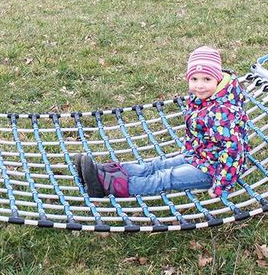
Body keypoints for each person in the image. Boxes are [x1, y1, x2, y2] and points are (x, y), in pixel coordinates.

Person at [76, 46, 250, 199]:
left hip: (215, 170)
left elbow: (233, 151)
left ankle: (111, 186)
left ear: (218, 79)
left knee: (165, 177)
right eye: (194, 79)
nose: (199, 86)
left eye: (207, 79)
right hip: (199, 156)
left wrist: (221, 185)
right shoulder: (206, 98)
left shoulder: (224, 112)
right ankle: (103, 172)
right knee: (156, 166)